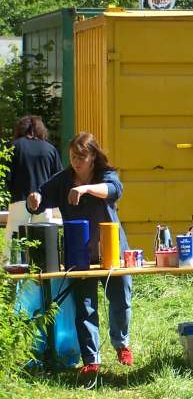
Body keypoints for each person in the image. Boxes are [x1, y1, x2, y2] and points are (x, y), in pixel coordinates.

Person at [27, 132, 134, 375]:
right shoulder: (63, 180)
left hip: (112, 249)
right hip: (79, 253)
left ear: (93, 156)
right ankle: (91, 360)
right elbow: (40, 197)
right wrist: (35, 199)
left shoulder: (106, 175)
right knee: (85, 306)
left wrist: (85, 189)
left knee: (121, 299)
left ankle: (121, 344)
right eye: (73, 157)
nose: (76, 162)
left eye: (81, 157)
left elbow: (114, 190)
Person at [2, 115, 62, 261]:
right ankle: (42, 271)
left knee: (14, 243)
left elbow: (6, 177)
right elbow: (58, 179)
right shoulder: (50, 149)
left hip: (19, 199)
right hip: (44, 203)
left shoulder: (13, 147)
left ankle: (10, 272)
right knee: (42, 243)